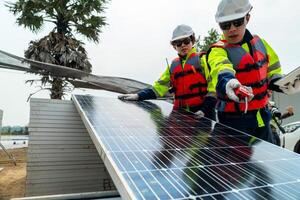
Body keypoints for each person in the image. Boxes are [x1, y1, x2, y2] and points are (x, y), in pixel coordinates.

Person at [207, 0, 300, 143]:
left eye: (237, 22)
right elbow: (220, 67)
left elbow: (273, 72)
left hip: (262, 117)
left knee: (269, 160)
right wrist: (229, 81)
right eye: (225, 25)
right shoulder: (217, 50)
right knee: (232, 164)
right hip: (232, 122)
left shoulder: (261, 44)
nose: (231, 29)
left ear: (247, 18)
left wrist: (283, 85)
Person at [118, 24, 216, 119]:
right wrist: (138, 96)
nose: (183, 45)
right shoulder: (173, 66)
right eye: (178, 43)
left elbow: (213, 88)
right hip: (180, 116)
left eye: (186, 41)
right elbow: (158, 88)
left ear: (192, 41)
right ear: (174, 46)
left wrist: (204, 110)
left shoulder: (203, 60)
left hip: (204, 116)